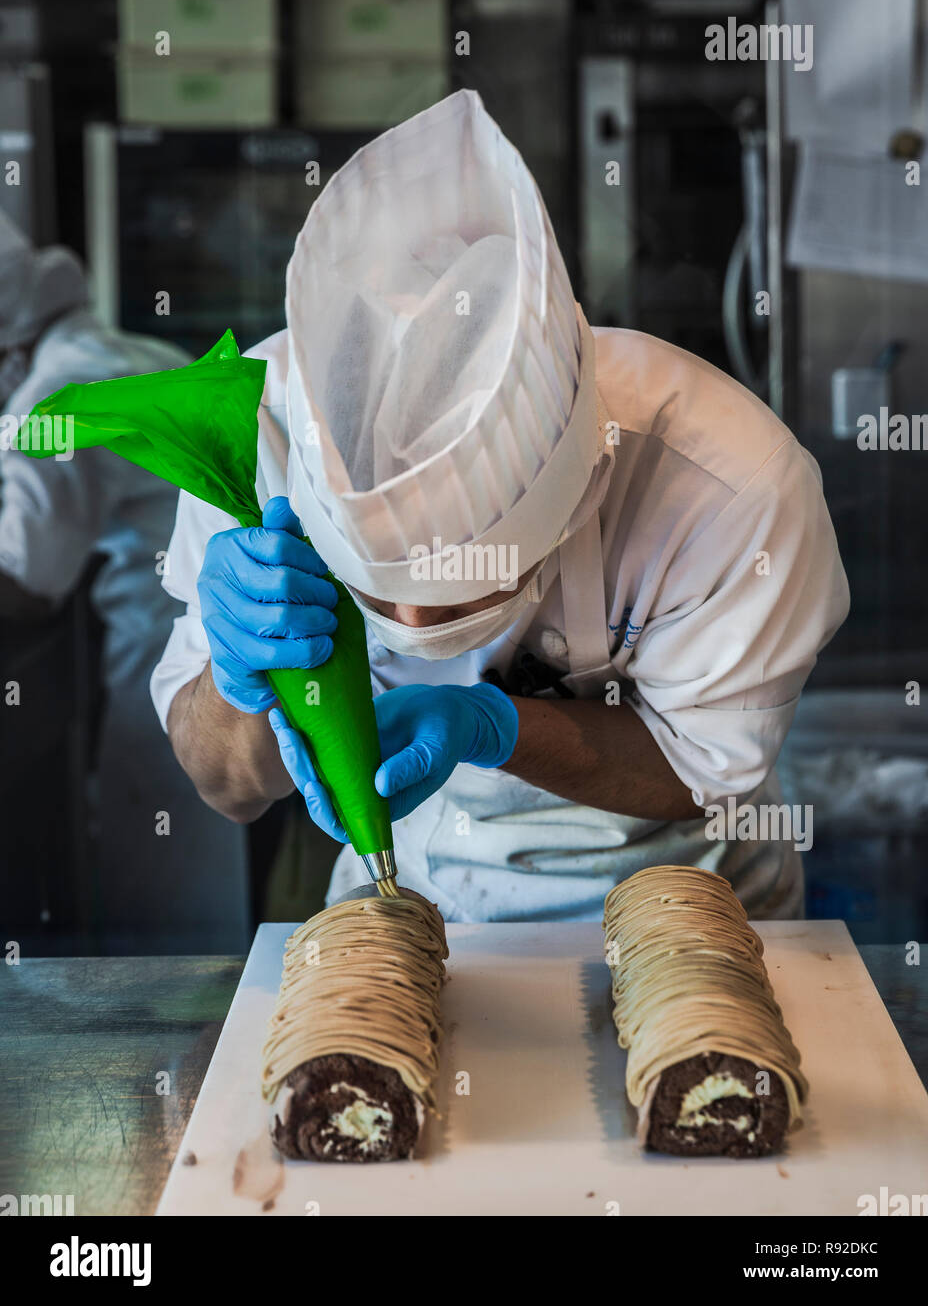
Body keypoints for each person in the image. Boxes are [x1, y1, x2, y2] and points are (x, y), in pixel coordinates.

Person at [151, 90, 849, 923]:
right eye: (375, 592)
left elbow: (698, 768)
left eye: (463, 588)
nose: (410, 619)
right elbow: (226, 786)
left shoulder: (731, 484)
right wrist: (239, 681)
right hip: (410, 900)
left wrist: (494, 725)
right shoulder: (253, 441)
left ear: (571, 489)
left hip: (698, 907)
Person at [0, 211, 248, 951]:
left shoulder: (54, 394)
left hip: (174, 648)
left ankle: (190, 1048)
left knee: (172, 887)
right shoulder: (110, 346)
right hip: (229, 625)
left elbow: (24, 571)